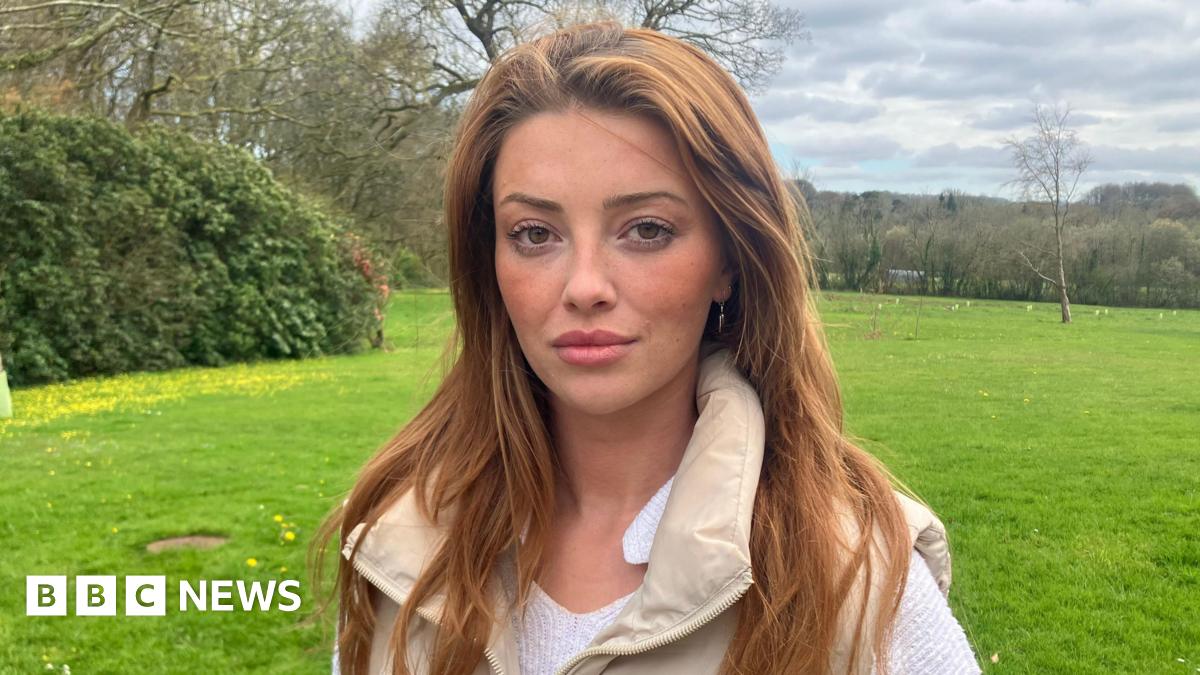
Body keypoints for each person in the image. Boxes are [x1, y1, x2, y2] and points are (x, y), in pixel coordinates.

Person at [312, 20, 981, 675]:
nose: (584, 286)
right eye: (535, 234)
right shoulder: (399, 541)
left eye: (647, 229)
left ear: (730, 257)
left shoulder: (856, 573)